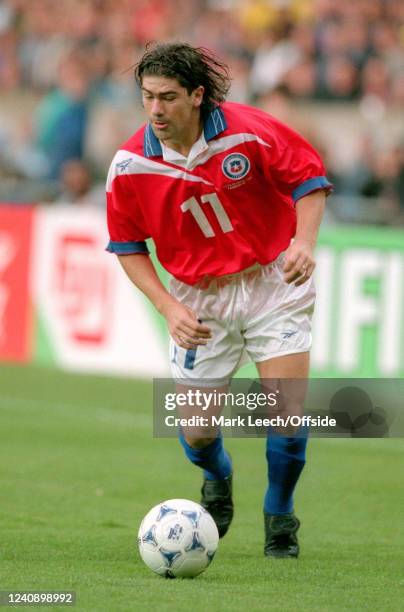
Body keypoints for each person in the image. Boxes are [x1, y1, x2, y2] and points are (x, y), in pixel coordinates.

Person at [105, 43, 332, 558]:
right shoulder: (130, 165)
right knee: (198, 432)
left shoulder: (249, 130)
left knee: (287, 412)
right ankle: (218, 477)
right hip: (198, 298)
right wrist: (167, 306)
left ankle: (279, 517)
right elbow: (127, 246)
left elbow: (309, 180)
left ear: (197, 95)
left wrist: (303, 242)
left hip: (273, 282)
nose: (156, 110)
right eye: (147, 98)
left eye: (167, 97)